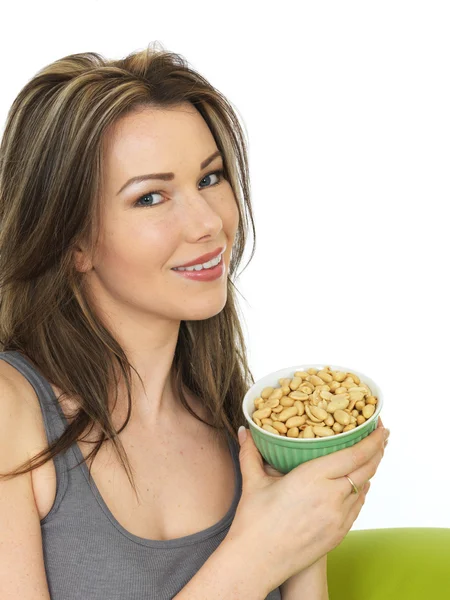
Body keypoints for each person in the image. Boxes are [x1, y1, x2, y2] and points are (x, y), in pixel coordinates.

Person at [0, 42, 389, 600]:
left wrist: (308, 528)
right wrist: (257, 556)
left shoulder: (238, 420)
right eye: (152, 197)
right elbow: (255, 562)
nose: (208, 223)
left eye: (209, 179)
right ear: (72, 240)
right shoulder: (12, 414)